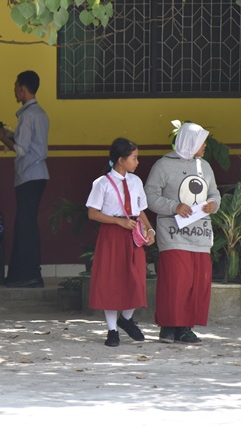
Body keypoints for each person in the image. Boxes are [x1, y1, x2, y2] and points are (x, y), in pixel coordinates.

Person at [144, 122, 221, 345]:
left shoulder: (205, 166)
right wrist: (174, 206)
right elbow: (149, 196)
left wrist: (213, 204)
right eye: (201, 141)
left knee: (197, 282)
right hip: (173, 233)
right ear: (189, 142)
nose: (205, 145)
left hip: (200, 234)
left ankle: (185, 328)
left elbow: (215, 193)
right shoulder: (163, 165)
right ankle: (168, 326)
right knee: (175, 281)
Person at [86, 138, 155, 347]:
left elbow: (139, 209)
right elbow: (92, 213)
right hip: (112, 235)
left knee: (136, 278)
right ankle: (112, 330)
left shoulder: (136, 182)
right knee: (111, 280)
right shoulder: (102, 183)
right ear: (120, 160)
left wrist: (150, 229)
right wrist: (117, 221)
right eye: (134, 158)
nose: (137, 162)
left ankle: (126, 319)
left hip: (133, 234)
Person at [0, 70, 49, 288]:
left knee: (25, 226)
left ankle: (29, 275)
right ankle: (20, 274)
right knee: (25, 224)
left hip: (28, 175)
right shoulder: (40, 113)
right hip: (38, 174)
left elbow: (21, 149)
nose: (14, 91)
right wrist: (8, 133)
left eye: (16, 86)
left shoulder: (27, 115)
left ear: (23, 89)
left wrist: (1, 138)